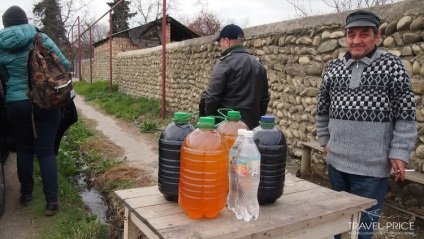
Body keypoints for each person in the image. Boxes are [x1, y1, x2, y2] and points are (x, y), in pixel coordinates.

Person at [316, 10, 417, 239]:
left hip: (371, 168)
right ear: (346, 37)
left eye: (364, 34)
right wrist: (324, 139)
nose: (357, 40)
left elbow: (405, 115)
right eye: (352, 34)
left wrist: (400, 151)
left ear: (377, 36)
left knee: (361, 231)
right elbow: (322, 109)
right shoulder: (333, 68)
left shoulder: (392, 67)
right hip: (337, 163)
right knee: (336, 225)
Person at [0, 6, 70, 216]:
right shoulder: (40, 37)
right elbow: (64, 64)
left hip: (16, 103)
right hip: (46, 101)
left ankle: (27, 195)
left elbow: (4, 76)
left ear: (5, 24)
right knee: (46, 151)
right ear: (24, 20)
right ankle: (52, 202)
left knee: (24, 149)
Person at [200, 24, 270, 129]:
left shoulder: (224, 63)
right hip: (251, 128)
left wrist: (209, 122)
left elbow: (211, 97)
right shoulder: (259, 66)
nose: (220, 46)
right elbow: (264, 100)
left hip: (227, 128)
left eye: (220, 43)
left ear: (227, 41)